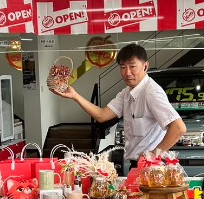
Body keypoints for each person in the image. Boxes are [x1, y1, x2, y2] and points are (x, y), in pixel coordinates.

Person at [51, 43, 186, 170]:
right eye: (123, 67)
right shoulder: (126, 93)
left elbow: (179, 128)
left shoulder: (151, 93)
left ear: (145, 66)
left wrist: (153, 156)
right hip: (137, 164)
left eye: (132, 66)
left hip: (153, 167)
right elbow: (102, 115)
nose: (127, 72)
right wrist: (75, 96)